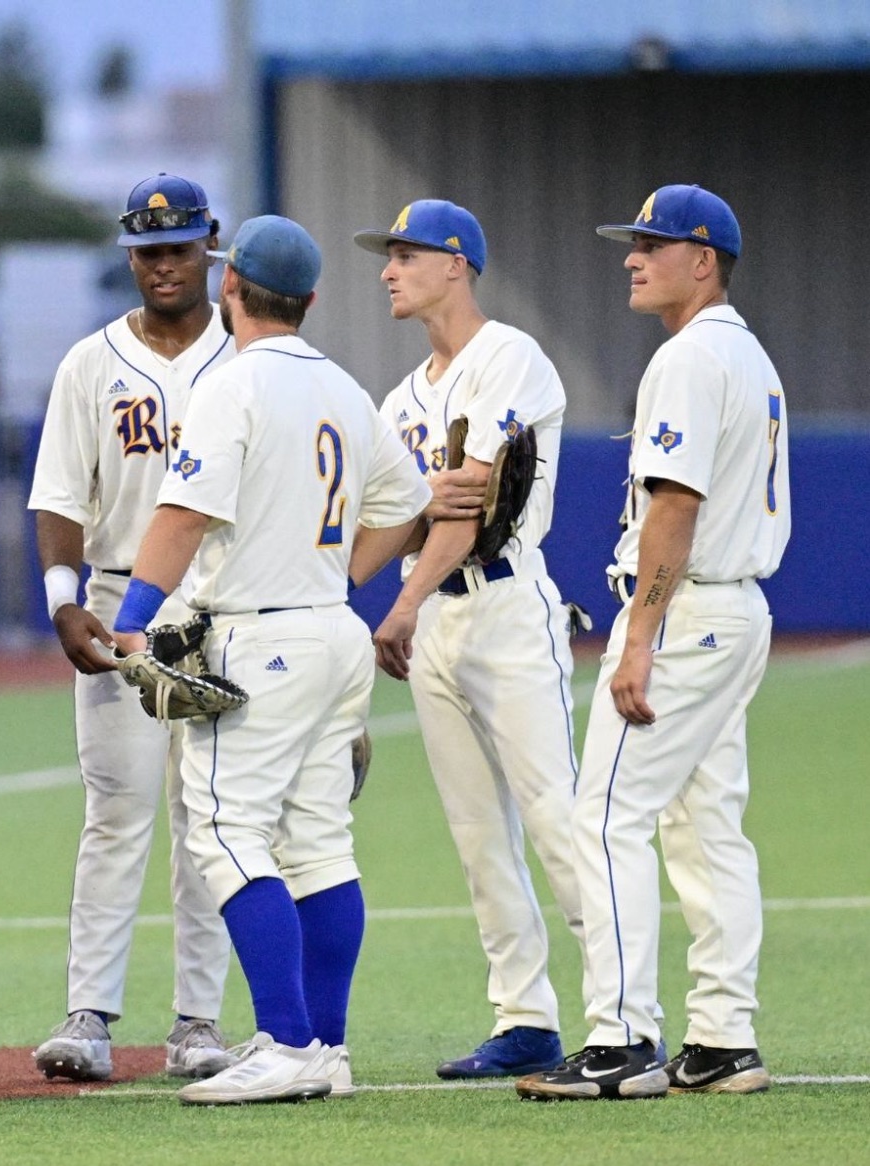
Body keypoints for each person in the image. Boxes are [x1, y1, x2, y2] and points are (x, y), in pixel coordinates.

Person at [110, 215, 430, 1104]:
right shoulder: (343, 386)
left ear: (229, 287)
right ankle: (325, 1045)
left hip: (263, 638)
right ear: (312, 299)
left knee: (225, 831)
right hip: (331, 629)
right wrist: (335, 576)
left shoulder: (234, 384)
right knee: (320, 846)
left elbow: (182, 516)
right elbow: (410, 505)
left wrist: (134, 623)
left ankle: (287, 1042)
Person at [519, 185, 787, 1101]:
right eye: (632, 243)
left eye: (652, 244)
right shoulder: (746, 355)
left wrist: (640, 641)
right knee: (709, 826)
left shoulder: (689, 358)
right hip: (736, 610)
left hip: (691, 614)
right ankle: (722, 1039)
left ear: (702, 259)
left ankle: (623, 1041)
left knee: (603, 818)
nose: (632, 257)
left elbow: (674, 507)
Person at [353, 200, 586, 1080]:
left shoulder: (509, 357)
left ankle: (623, 1015)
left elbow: (479, 504)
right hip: (439, 619)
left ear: (457, 262)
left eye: (405, 254)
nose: (388, 270)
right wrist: (419, 529)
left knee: (554, 815)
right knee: (477, 833)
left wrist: (403, 597)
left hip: (504, 605)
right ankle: (525, 1017)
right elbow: (412, 516)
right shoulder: (400, 397)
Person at [26, 172, 235, 1082]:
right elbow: (59, 495)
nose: (160, 263)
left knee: (210, 820)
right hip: (118, 601)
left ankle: (198, 1020)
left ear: (210, 250)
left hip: (222, 603)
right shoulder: (90, 361)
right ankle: (89, 1014)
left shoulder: (247, 356)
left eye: (177, 247)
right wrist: (63, 600)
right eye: (146, 249)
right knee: (116, 814)